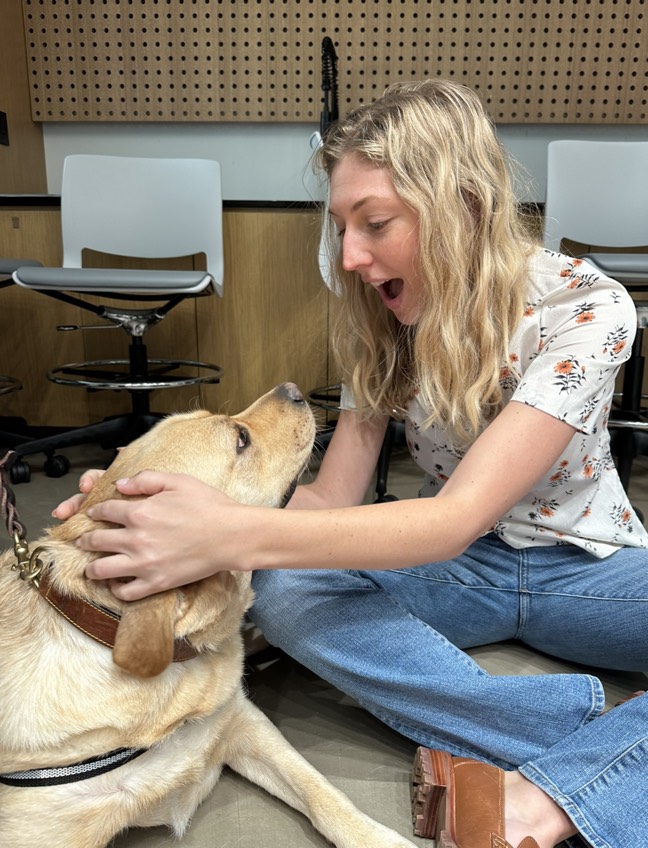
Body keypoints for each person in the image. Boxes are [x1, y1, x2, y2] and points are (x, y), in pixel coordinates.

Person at [55, 79, 648, 848]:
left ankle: (539, 800)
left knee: (252, 558)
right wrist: (154, 506)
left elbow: (449, 518)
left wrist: (223, 534)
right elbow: (331, 503)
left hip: (590, 568)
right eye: (342, 227)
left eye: (374, 223)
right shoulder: (384, 318)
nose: (353, 257)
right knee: (280, 582)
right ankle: (578, 741)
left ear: (463, 205)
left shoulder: (588, 307)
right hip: (465, 568)